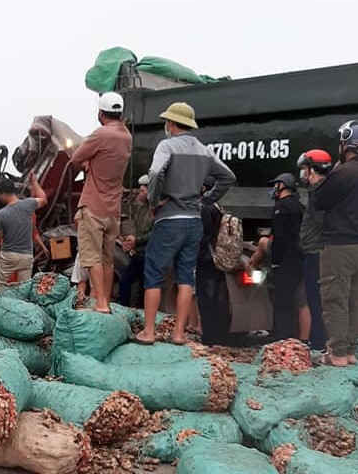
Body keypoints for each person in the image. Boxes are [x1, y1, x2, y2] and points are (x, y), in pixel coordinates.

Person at [136, 102, 236, 345]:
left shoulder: (166, 145)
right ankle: (179, 334)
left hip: (170, 219)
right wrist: (206, 200)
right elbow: (228, 177)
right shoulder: (204, 150)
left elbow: (156, 173)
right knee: (186, 278)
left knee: (154, 273)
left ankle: (148, 332)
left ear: (170, 123)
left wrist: (153, 199)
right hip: (193, 222)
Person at [70, 91, 132, 313]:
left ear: (101, 113)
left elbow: (75, 158)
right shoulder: (127, 137)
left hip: (94, 206)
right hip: (113, 209)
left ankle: (101, 303)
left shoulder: (101, 134)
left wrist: (88, 164)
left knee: (91, 256)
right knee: (108, 258)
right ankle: (103, 299)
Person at [312, 121, 358, 366]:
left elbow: (319, 201)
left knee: (335, 299)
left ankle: (337, 354)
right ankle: (350, 351)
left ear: (347, 143)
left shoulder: (343, 172)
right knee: (356, 299)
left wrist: (326, 177)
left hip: (341, 245)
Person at [297, 149, 333, 352]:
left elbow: (320, 224)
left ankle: (319, 343)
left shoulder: (320, 193)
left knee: (316, 299)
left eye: (304, 169)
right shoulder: (318, 191)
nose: (302, 174)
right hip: (314, 251)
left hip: (316, 253)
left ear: (313, 168)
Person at [0, 174, 47, 292]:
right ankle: (22, 308)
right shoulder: (29, 205)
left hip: (8, 256)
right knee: (24, 290)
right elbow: (44, 198)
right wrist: (35, 182)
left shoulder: (1, 214)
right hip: (27, 256)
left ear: (2, 193)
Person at [266, 172, 305, 341]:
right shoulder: (300, 206)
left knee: (281, 299)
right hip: (299, 258)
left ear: (282, 186)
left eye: (276, 185)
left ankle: (281, 337)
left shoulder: (281, 207)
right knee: (295, 298)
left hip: (285, 260)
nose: (274, 188)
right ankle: (294, 335)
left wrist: (275, 261)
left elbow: (279, 237)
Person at [196, 177, 231, 345]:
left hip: (206, 258)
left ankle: (209, 337)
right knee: (219, 297)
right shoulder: (218, 207)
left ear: (204, 188)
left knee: (206, 298)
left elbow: (203, 236)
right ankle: (220, 334)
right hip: (217, 256)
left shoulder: (205, 208)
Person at [118, 175, 153, 307]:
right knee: (126, 281)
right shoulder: (140, 207)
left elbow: (154, 234)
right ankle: (124, 309)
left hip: (149, 253)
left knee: (144, 286)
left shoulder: (156, 209)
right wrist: (128, 238)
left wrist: (136, 240)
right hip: (138, 253)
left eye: (143, 190)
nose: (140, 192)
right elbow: (130, 223)